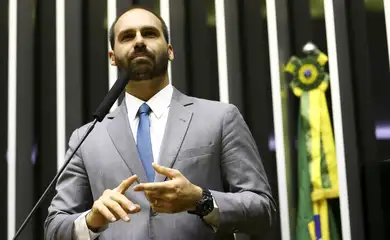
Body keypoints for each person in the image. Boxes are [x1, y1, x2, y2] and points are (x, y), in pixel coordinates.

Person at [44, 6, 277, 240]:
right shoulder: (87, 138)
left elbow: (262, 210)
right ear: (112, 57)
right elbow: (55, 228)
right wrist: (91, 220)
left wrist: (200, 199)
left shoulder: (221, 118)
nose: (138, 41)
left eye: (149, 33)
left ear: (170, 50)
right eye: (127, 36)